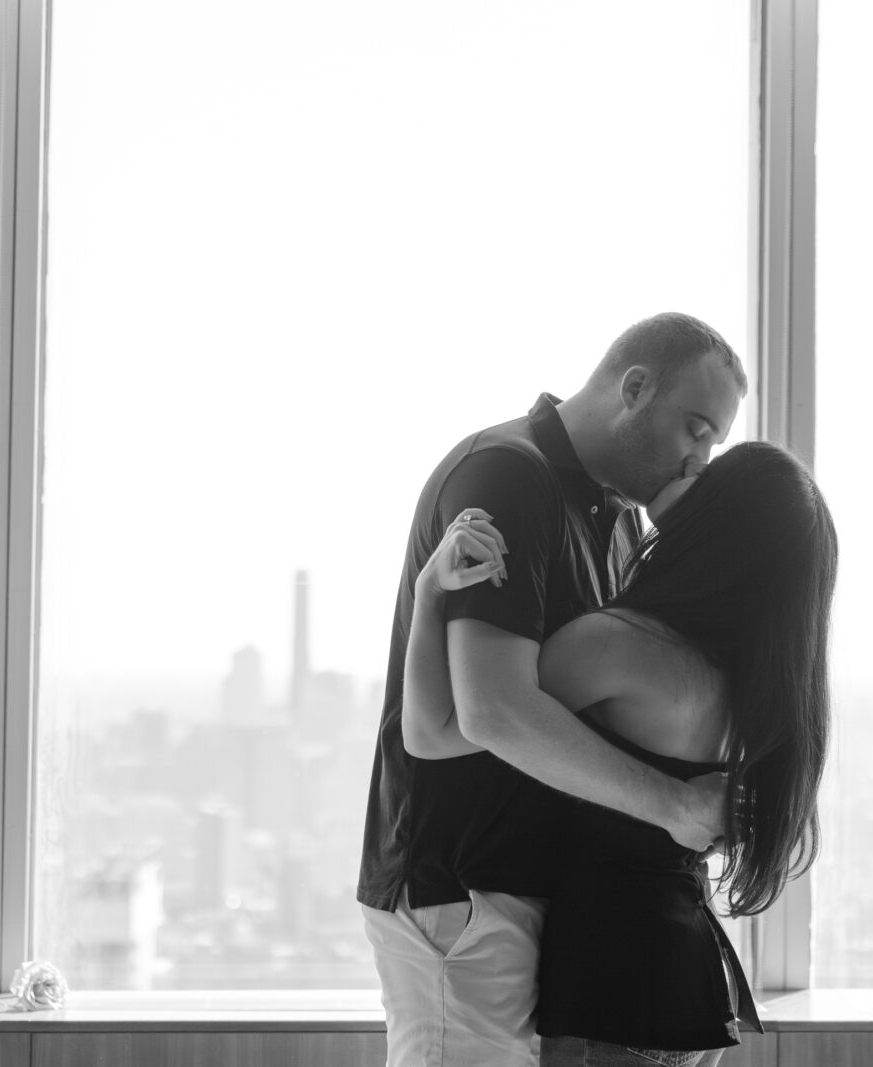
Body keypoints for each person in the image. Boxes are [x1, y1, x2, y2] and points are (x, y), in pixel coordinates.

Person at [358, 312, 747, 1067]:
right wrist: (677, 805)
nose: (700, 461)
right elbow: (492, 710)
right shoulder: (506, 476)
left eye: (714, 444)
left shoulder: (621, 521)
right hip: (463, 888)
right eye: (694, 429)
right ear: (634, 387)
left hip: (535, 889)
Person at [405, 440, 838, 1066]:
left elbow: (438, 729)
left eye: (709, 476)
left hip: (616, 986)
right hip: (687, 977)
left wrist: (429, 593)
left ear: (721, 522)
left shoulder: (622, 646)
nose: (691, 465)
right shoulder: (760, 687)